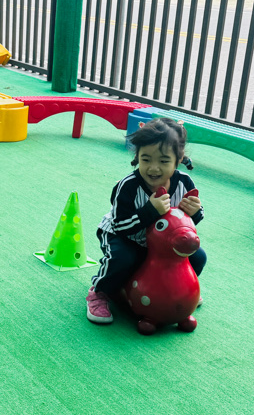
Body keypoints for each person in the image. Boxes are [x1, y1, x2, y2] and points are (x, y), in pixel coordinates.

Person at [85, 117, 206, 324]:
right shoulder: (128, 186)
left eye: (164, 161)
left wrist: (195, 213)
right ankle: (100, 292)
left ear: (178, 160)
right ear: (137, 157)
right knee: (123, 258)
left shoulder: (184, 183)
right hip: (122, 235)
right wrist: (149, 211)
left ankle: (179, 290)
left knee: (198, 257)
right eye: (146, 159)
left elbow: (186, 224)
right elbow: (119, 225)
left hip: (162, 244)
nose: (154, 168)